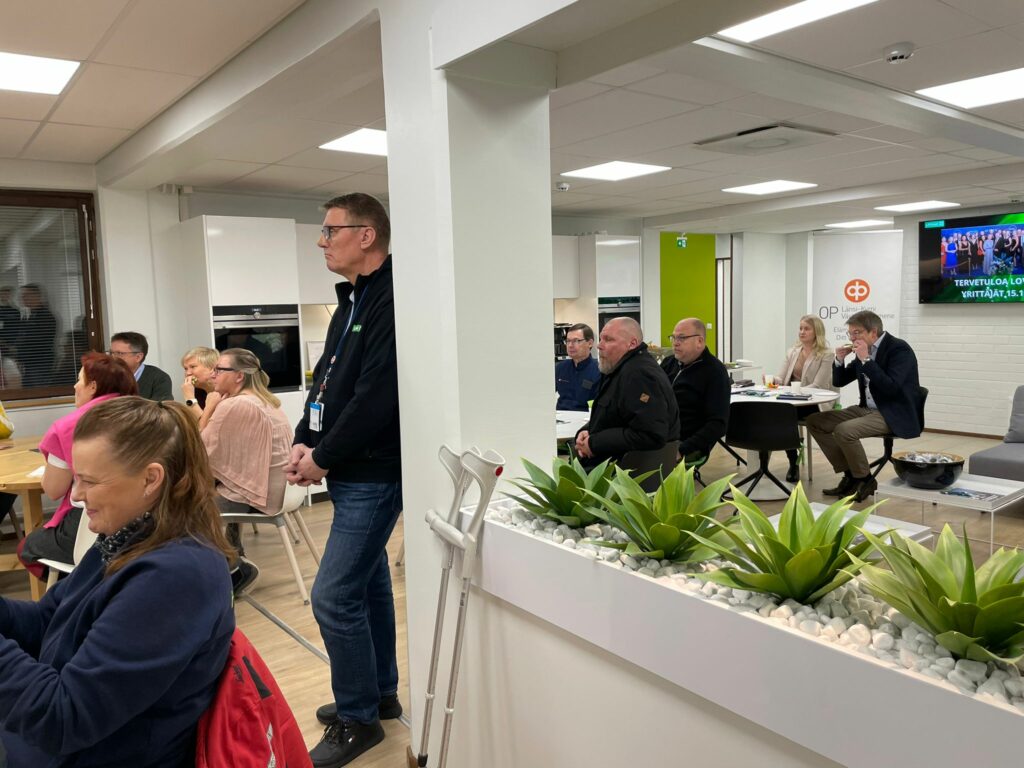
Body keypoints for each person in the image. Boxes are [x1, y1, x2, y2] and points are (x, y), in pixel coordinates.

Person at [0, 397, 235, 767]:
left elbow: (65, 719)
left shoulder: (176, 578)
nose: (76, 495)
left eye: (89, 481)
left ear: (151, 478)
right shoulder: (126, 537)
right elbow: (50, 621)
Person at [287, 193, 402, 768]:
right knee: (368, 584)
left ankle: (358, 720)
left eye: (330, 230)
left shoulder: (390, 298)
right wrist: (302, 438)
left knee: (332, 597)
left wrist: (325, 457)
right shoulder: (352, 299)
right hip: (350, 468)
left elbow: (377, 396)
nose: (322, 240)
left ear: (366, 235)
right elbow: (326, 382)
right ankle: (378, 694)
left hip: (374, 471)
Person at [19, 353, 138, 575]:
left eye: (79, 379)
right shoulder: (144, 414)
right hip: (145, 519)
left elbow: (53, 490)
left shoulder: (69, 427)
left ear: (93, 386)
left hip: (91, 522)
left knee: (27, 547)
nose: (75, 386)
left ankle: (77, 587)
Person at [805, 310, 924, 503]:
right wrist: (839, 360)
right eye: (850, 333)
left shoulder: (899, 350)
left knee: (844, 430)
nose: (852, 338)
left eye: (857, 333)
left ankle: (865, 480)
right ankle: (850, 474)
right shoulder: (863, 350)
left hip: (892, 412)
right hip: (866, 409)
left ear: (873, 332)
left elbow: (891, 387)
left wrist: (866, 360)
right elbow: (840, 381)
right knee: (815, 422)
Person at [200, 348, 292, 595]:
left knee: (186, 509)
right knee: (216, 487)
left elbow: (201, 449)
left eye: (219, 369)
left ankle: (234, 569)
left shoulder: (235, 404)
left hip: (259, 496)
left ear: (239, 376)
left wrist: (208, 407)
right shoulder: (265, 400)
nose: (212, 374)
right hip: (280, 491)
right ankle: (233, 559)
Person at [575, 317, 679, 465]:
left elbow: (650, 434)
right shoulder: (620, 370)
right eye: (601, 339)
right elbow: (614, 417)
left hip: (624, 471)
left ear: (632, 344)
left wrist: (594, 443)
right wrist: (588, 432)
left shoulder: (639, 376)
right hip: (610, 462)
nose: (599, 345)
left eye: (608, 340)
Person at [659, 317, 729, 467]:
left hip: (687, 444)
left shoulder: (715, 372)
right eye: (673, 337)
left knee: (643, 464)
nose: (675, 342)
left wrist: (682, 449)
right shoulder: (669, 363)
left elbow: (718, 425)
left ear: (700, 341)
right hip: (659, 436)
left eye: (682, 338)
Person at [776, 314, 836, 482]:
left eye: (806, 329)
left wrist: (795, 392)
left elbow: (818, 385)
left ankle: (793, 462)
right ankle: (792, 458)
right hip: (791, 400)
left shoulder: (826, 354)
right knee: (773, 412)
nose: (802, 332)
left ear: (817, 332)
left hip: (813, 402)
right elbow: (781, 377)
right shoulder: (792, 352)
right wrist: (774, 380)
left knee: (784, 415)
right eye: (800, 328)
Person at [109, 331, 173, 401]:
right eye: (111, 353)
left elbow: (161, 407)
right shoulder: (107, 377)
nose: (112, 357)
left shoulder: (159, 379)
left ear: (138, 357)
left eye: (119, 353)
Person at [16, 284, 57, 388]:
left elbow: (39, 342)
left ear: (36, 296)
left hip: (39, 362)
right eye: (22, 295)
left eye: (26, 295)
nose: (23, 298)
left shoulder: (45, 316)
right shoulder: (30, 315)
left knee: (39, 391)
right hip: (30, 363)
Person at [555, 323, 600, 411]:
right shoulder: (560, 367)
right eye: (568, 341)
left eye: (576, 341)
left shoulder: (599, 370)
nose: (570, 345)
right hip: (561, 415)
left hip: (586, 416)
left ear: (590, 343)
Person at [182, 345, 218, 419]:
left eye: (193, 367)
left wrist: (190, 398)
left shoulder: (224, 392)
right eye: (186, 368)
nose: (188, 373)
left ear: (212, 368)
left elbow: (204, 424)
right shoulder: (197, 390)